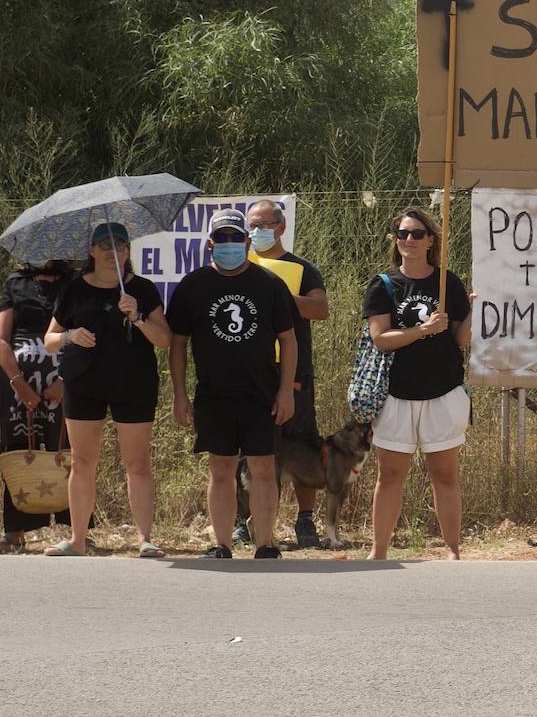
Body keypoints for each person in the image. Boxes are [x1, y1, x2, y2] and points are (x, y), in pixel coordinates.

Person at [168, 209, 296, 560]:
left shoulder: (269, 285)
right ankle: (221, 544)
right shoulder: (193, 286)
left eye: (235, 238)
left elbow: (288, 339)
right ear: (210, 243)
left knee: (263, 469)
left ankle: (266, 544)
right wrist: (179, 394)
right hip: (213, 396)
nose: (228, 245)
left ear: (246, 241)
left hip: (262, 395)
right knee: (221, 468)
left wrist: (286, 391)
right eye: (221, 239)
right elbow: (177, 343)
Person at [42, 224, 172, 557]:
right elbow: (50, 340)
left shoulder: (141, 289)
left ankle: (145, 539)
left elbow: (165, 339)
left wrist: (138, 316)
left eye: (120, 245)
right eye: (104, 244)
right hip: (84, 383)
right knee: (83, 462)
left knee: (138, 463)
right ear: (91, 250)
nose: (112, 251)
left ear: (128, 250)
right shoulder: (73, 290)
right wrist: (72, 336)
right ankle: (77, 540)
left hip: (134, 383)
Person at [362, 207, 472, 561]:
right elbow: (381, 338)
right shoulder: (383, 285)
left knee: (444, 474)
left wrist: (473, 310)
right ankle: (379, 552)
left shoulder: (447, 282)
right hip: (398, 393)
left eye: (416, 233)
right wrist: (422, 330)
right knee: (391, 474)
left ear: (431, 240)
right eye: (402, 233)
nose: (409, 240)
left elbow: (460, 340)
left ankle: (453, 551)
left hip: (443, 391)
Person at [229, 198, 329, 549]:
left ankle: (304, 520)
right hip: (249, 372)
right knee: (247, 451)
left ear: (281, 228)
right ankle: (244, 522)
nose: (256, 232)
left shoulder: (301, 269)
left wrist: (281, 294)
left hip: (294, 372)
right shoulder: (240, 266)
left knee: (301, 446)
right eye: (251, 226)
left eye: (263, 225)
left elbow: (320, 309)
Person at [0, 261, 74, 552]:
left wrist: (64, 381)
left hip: (64, 380)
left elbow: (83, 334)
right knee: (15, 449)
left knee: (69, 449)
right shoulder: (15, 282)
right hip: (18, 384)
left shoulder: (75, 285)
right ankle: (14, 532)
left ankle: (77, 532)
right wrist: (19, 383)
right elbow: (1, 339)